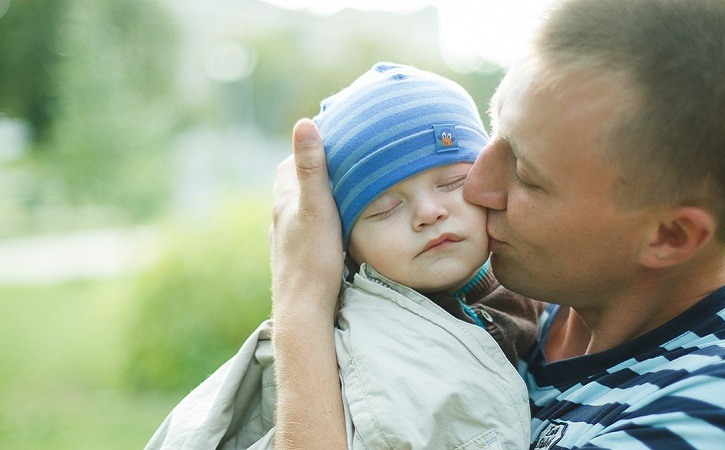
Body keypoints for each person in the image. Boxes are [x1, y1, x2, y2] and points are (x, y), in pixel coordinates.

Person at [270, 0, 725, 449]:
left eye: (527, 174)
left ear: (668, 237)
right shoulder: (509, 313)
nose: (476, 187)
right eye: (494, 136)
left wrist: (300, 298)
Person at [148, 62, 541, 450]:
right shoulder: (358, 352)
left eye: (453, 182)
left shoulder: (538, 280)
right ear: (345, 245)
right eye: (386, 207)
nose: (428, 213)